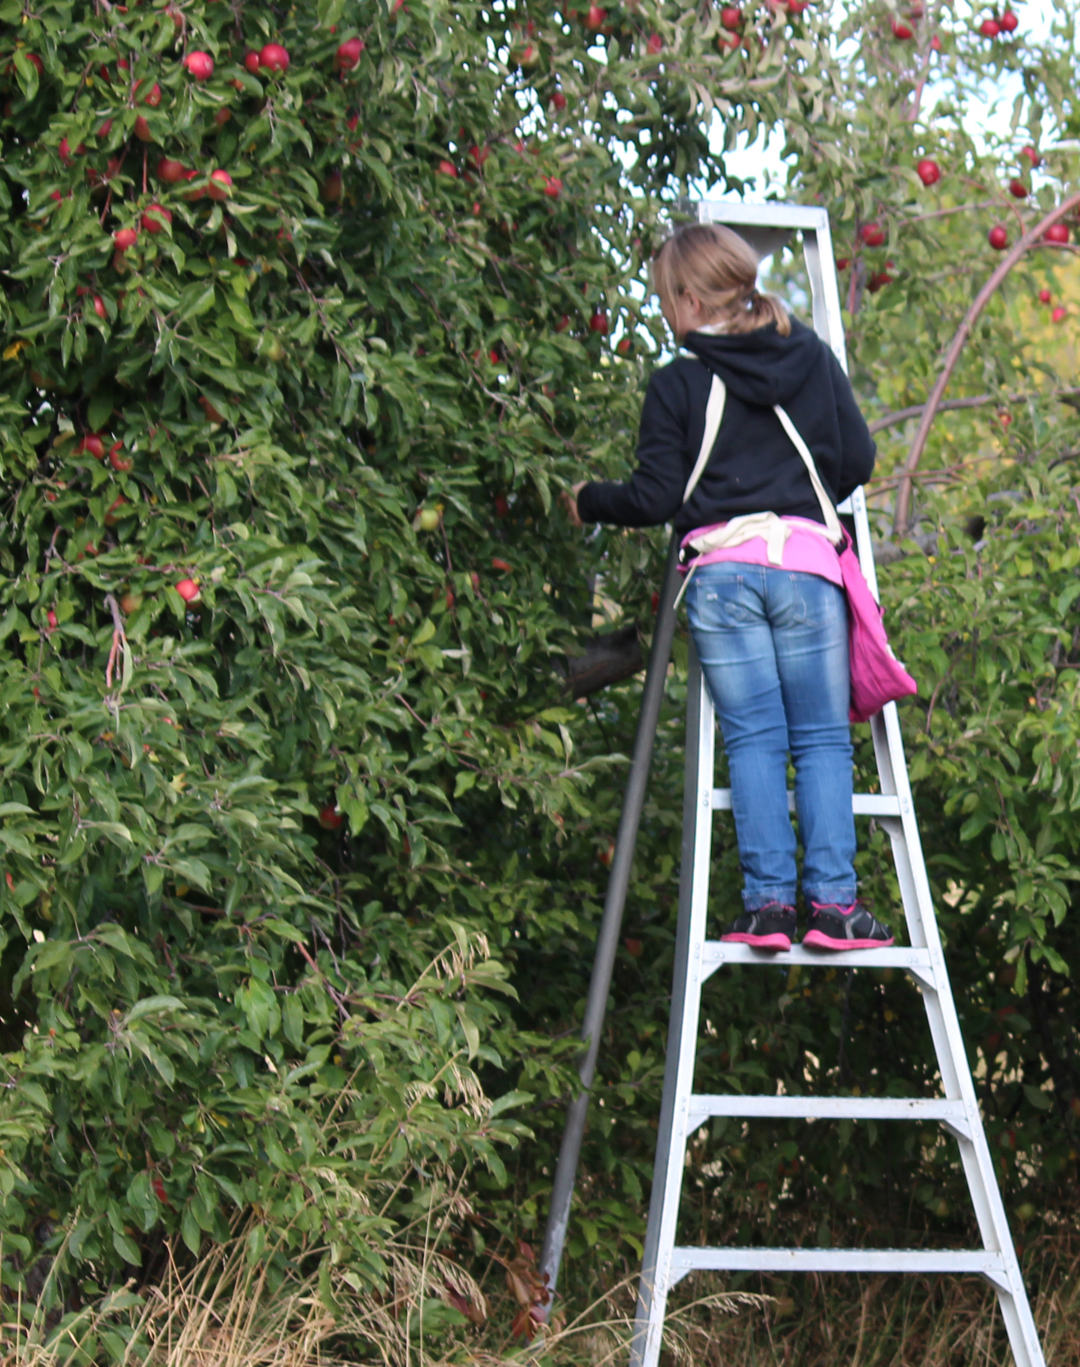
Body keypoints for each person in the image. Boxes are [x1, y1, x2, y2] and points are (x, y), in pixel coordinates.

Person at [562, 221, 893, 953]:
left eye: (663, 299)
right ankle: (835, 905)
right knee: (822, 740)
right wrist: (795, 499)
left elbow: (654, 498)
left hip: (722, 576)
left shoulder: (678, 383)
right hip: (806, 566)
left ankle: (769, 907)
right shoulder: (808, 355)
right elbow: (860, 457)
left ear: (685, 298)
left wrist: (587, 498)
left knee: (754, 739)